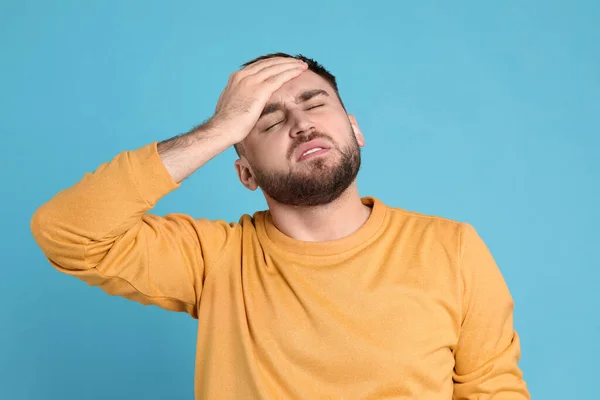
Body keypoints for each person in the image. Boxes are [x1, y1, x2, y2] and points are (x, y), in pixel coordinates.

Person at [31, 53, 530, 399]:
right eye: (267, 122)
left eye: (315, 104)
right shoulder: (214, 260)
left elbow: (495, 391)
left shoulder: (452, 248)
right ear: (244, 172)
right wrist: (220, 128)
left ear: (354, 130)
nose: (301, 123)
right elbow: (67, 232)